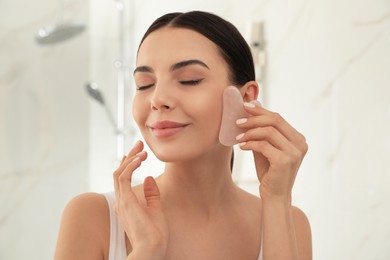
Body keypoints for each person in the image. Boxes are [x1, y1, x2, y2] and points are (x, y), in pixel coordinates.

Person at [54, 11, 312, 260]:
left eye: (189, 80)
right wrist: (146, 251)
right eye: (144, 84)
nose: (158, 99)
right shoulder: (93, 217)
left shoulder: (290, 222)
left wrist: (277, 200)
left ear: (245, 98)